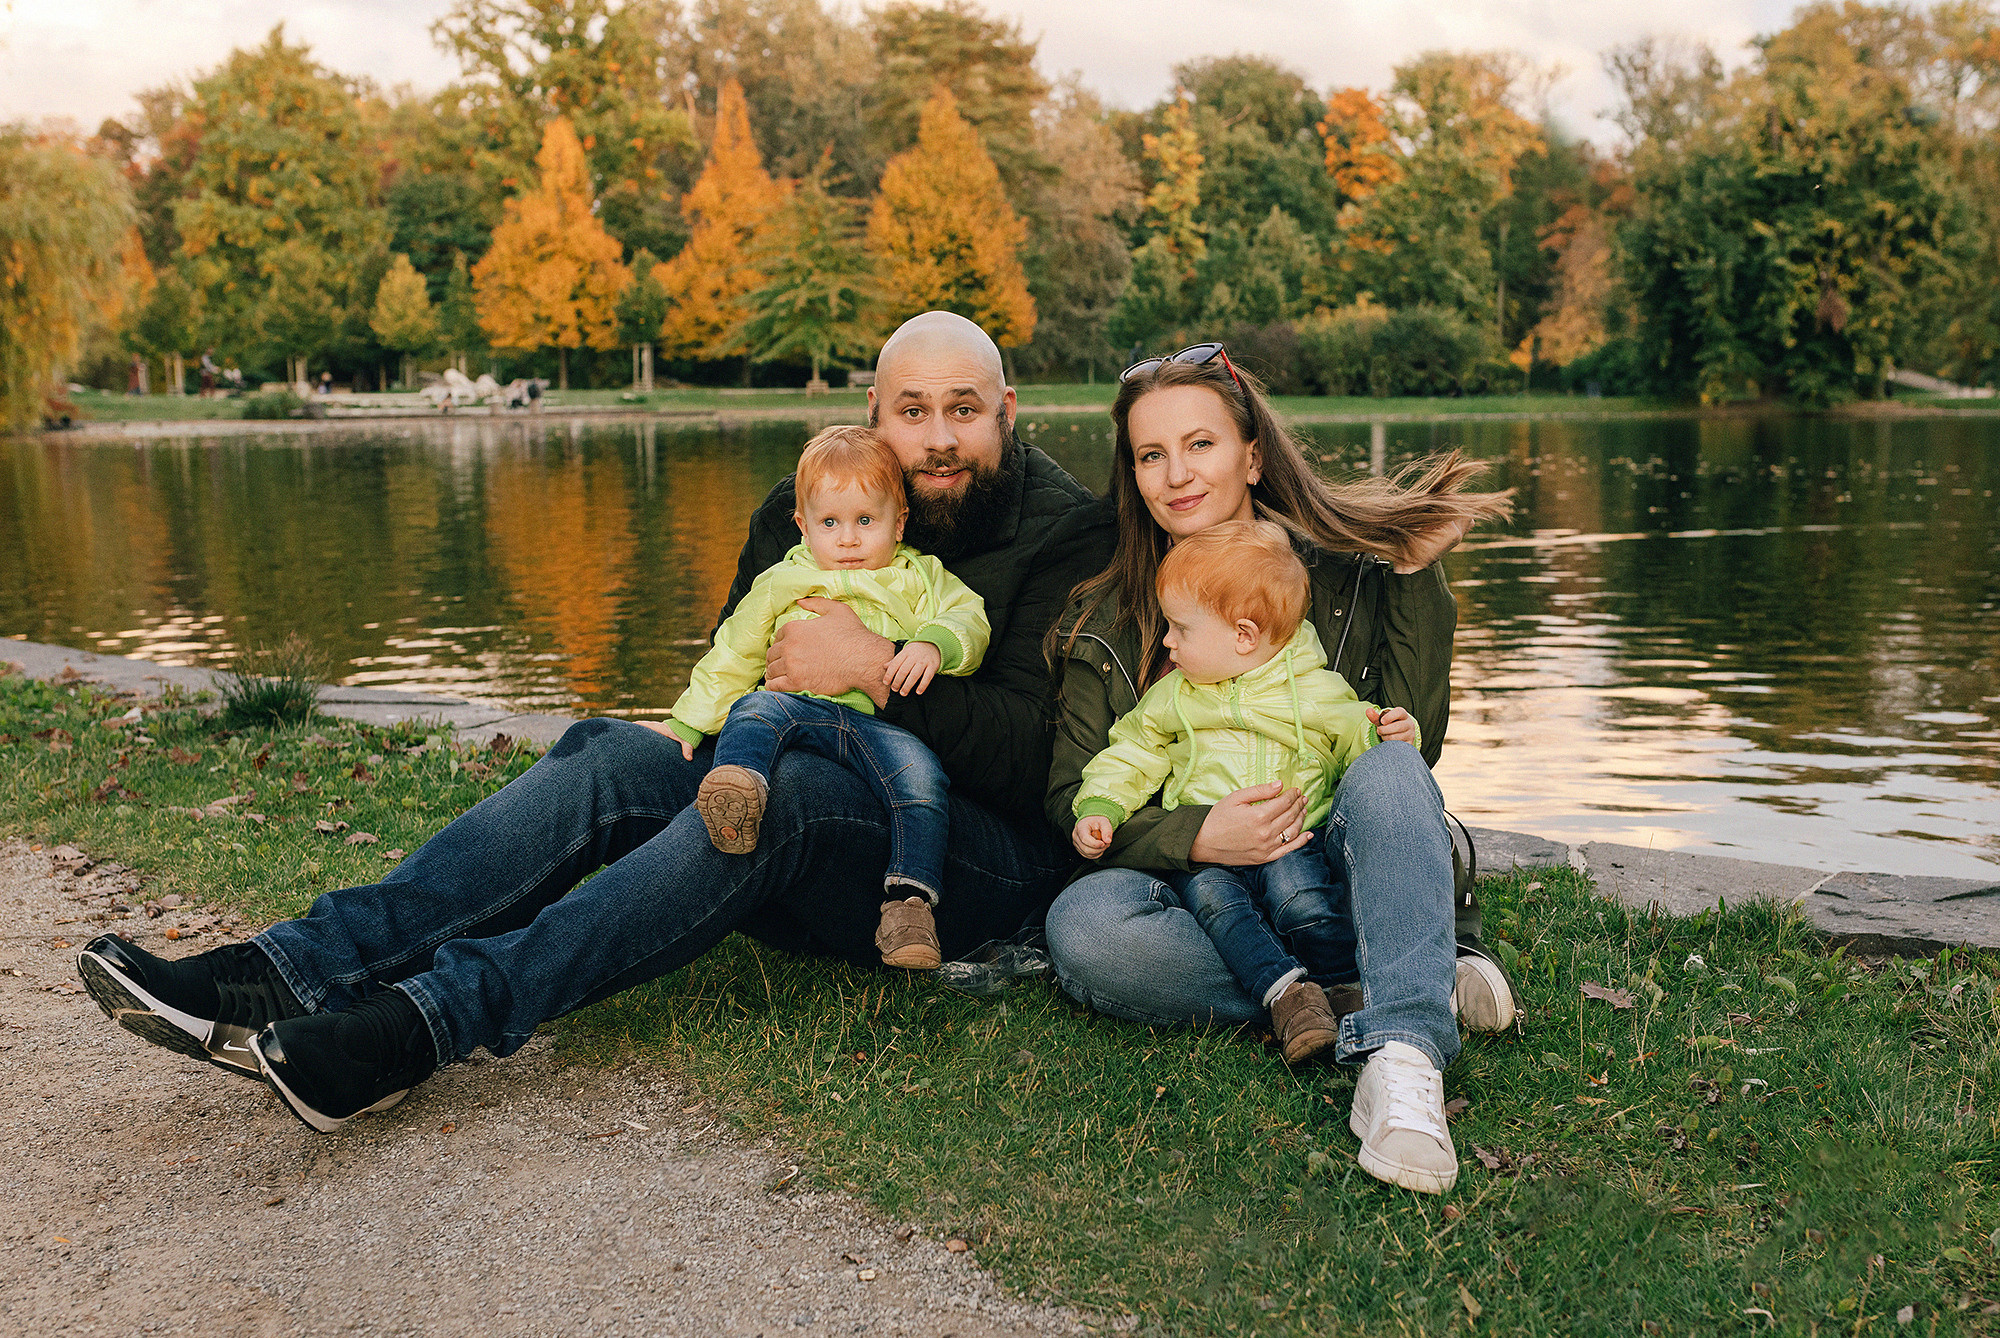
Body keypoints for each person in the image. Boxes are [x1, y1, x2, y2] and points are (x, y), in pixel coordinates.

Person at [76, 311, 1110, 1134]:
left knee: (783, 794)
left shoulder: (1066, 532)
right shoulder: (804, 510)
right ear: (873, 412)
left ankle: (416, 1029)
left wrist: (875, 670)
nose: (938, 438)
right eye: (913, 410)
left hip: (963, 862)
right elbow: (733, 678)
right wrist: (687, 738)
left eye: (964, 410)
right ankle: (288, 970)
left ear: (1007, 411)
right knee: (611, 755)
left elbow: (1037, 764)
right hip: (809, 813)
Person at [1043, 343, 1514, 1196]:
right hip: (1197, 886)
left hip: (1323, 852)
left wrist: (1414, 574)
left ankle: (1403, 1055)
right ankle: (1390, 972)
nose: (1176, 475)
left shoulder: (1337, 576)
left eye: (1201, 444)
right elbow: (1073, 796)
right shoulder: (1106, 614)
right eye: (1151, 455)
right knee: (1087, 930)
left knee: (1390, 771)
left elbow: (1410, 754)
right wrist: (1197, 835)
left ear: (1252, 456)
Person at [1068, 519, 1398, 1066]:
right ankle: (1287, 997)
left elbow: (1354, 741)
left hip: (1292, 842)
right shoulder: (1175, 696)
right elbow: (1133, 751)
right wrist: (1101, 805)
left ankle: (1344, 990)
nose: (1168, 641)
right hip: (1207, 853)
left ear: (1243, 635)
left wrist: (1381, 733)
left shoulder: (1315, 690)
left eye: (1180, 628)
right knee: (1218, 908)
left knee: (1302, 899)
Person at [666, 424, 991, 971]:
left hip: (880, 724)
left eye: (866, 521)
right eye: (830, 523)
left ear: (899, 522)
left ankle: (910, 906)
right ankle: (739, 788)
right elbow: (735, 652)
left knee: (922, 780)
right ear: (803, 525)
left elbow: (970, 617)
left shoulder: (919, 576)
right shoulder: (783, 580)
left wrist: (934, 643)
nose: (847, 540)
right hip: (798, 707)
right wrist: (689, 721)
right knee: (754, 709)